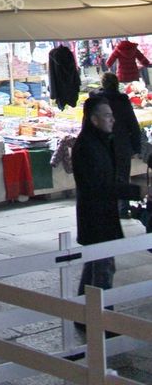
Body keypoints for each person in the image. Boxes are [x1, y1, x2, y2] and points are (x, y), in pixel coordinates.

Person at [72, 94, 138, 305]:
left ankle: (85, 316)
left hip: (101, 216)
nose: (113, 120)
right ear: (94, 120)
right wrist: (136, 191)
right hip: (97, 217)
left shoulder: (99, 143)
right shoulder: (88, 147)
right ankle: (101, 320)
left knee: (94, 267)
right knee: (103, 269)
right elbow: (100, 186)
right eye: (108, 116)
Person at [99, 73, 143, 217]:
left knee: (105, 178)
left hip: (103, 146)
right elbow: (133, 125)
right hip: (122, 145)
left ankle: (107, 209)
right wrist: (137, 147)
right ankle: (123, 209)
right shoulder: (123, 101)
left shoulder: (97, 101)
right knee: (123, 177)